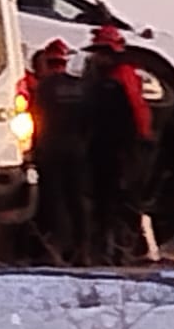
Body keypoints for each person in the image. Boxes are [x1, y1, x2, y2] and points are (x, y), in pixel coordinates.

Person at [81, 25, 152, 265]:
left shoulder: (121, 76)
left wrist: (138, 141)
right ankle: (111, 248)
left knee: (121, 200)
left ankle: (123, 248)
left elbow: (137, 109)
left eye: (102, 51)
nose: (97, 57)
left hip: (120, 150)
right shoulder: (101, 79)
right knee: (106, 200)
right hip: (103, 148)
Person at [28, 38, 88, 264]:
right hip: (78, 151)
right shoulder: (80, 87)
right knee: (77, 200)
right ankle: (83, 248)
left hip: (51, 150)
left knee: (54, 200)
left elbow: (35, 120)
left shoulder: (43, 89)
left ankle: (56, 249)